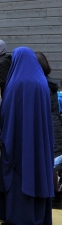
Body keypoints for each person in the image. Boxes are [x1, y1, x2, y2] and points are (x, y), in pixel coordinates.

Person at [0, 47, 55, 225]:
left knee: (19, 172)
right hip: (38, 140)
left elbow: (6, 113)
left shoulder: (17, 83)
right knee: (36, 169)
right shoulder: (41, 81)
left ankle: (19, 215)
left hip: (18, 139)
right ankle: (39, 215)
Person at [35, 52, 62, 207]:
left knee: (49, 162)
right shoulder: (51, 84)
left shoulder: (39, 84)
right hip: (55, 125)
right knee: (53, 162)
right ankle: (55, 195)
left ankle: (52, 196)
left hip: (47, 126)